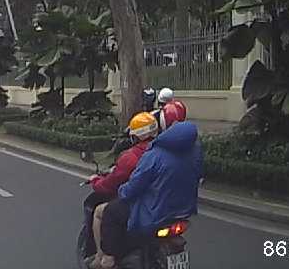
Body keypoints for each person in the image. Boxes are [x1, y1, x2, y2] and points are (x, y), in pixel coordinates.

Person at [93, 122, 203, 269]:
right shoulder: (194, 155)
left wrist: (122, 191)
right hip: (182, 211)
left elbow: (134, 186)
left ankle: (108, 259)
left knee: (108, 212)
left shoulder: (154, 156)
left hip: (153, 213)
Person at [86, 112, 159, 265]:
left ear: (135, 137)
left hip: (140, 204)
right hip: (161, 204)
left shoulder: (131, 157)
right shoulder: (164, 152)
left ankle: (103, 257)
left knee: (101, 212)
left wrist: (96, 182)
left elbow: (111, 184)